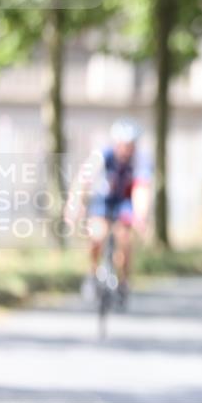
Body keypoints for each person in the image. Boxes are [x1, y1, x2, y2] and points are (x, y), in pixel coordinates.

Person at [72, 118, 153, 306]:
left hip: (125, 202)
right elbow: (84, 178)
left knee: (124, 239)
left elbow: (142, 189)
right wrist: (76, 202)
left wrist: (141, 217)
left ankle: (123, 281)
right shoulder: (103, 155)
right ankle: (92, 273)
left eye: (130, 145)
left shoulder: (140, 161)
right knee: (96, 235)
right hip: (103, 200)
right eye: (123, 145)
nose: (126, 149)